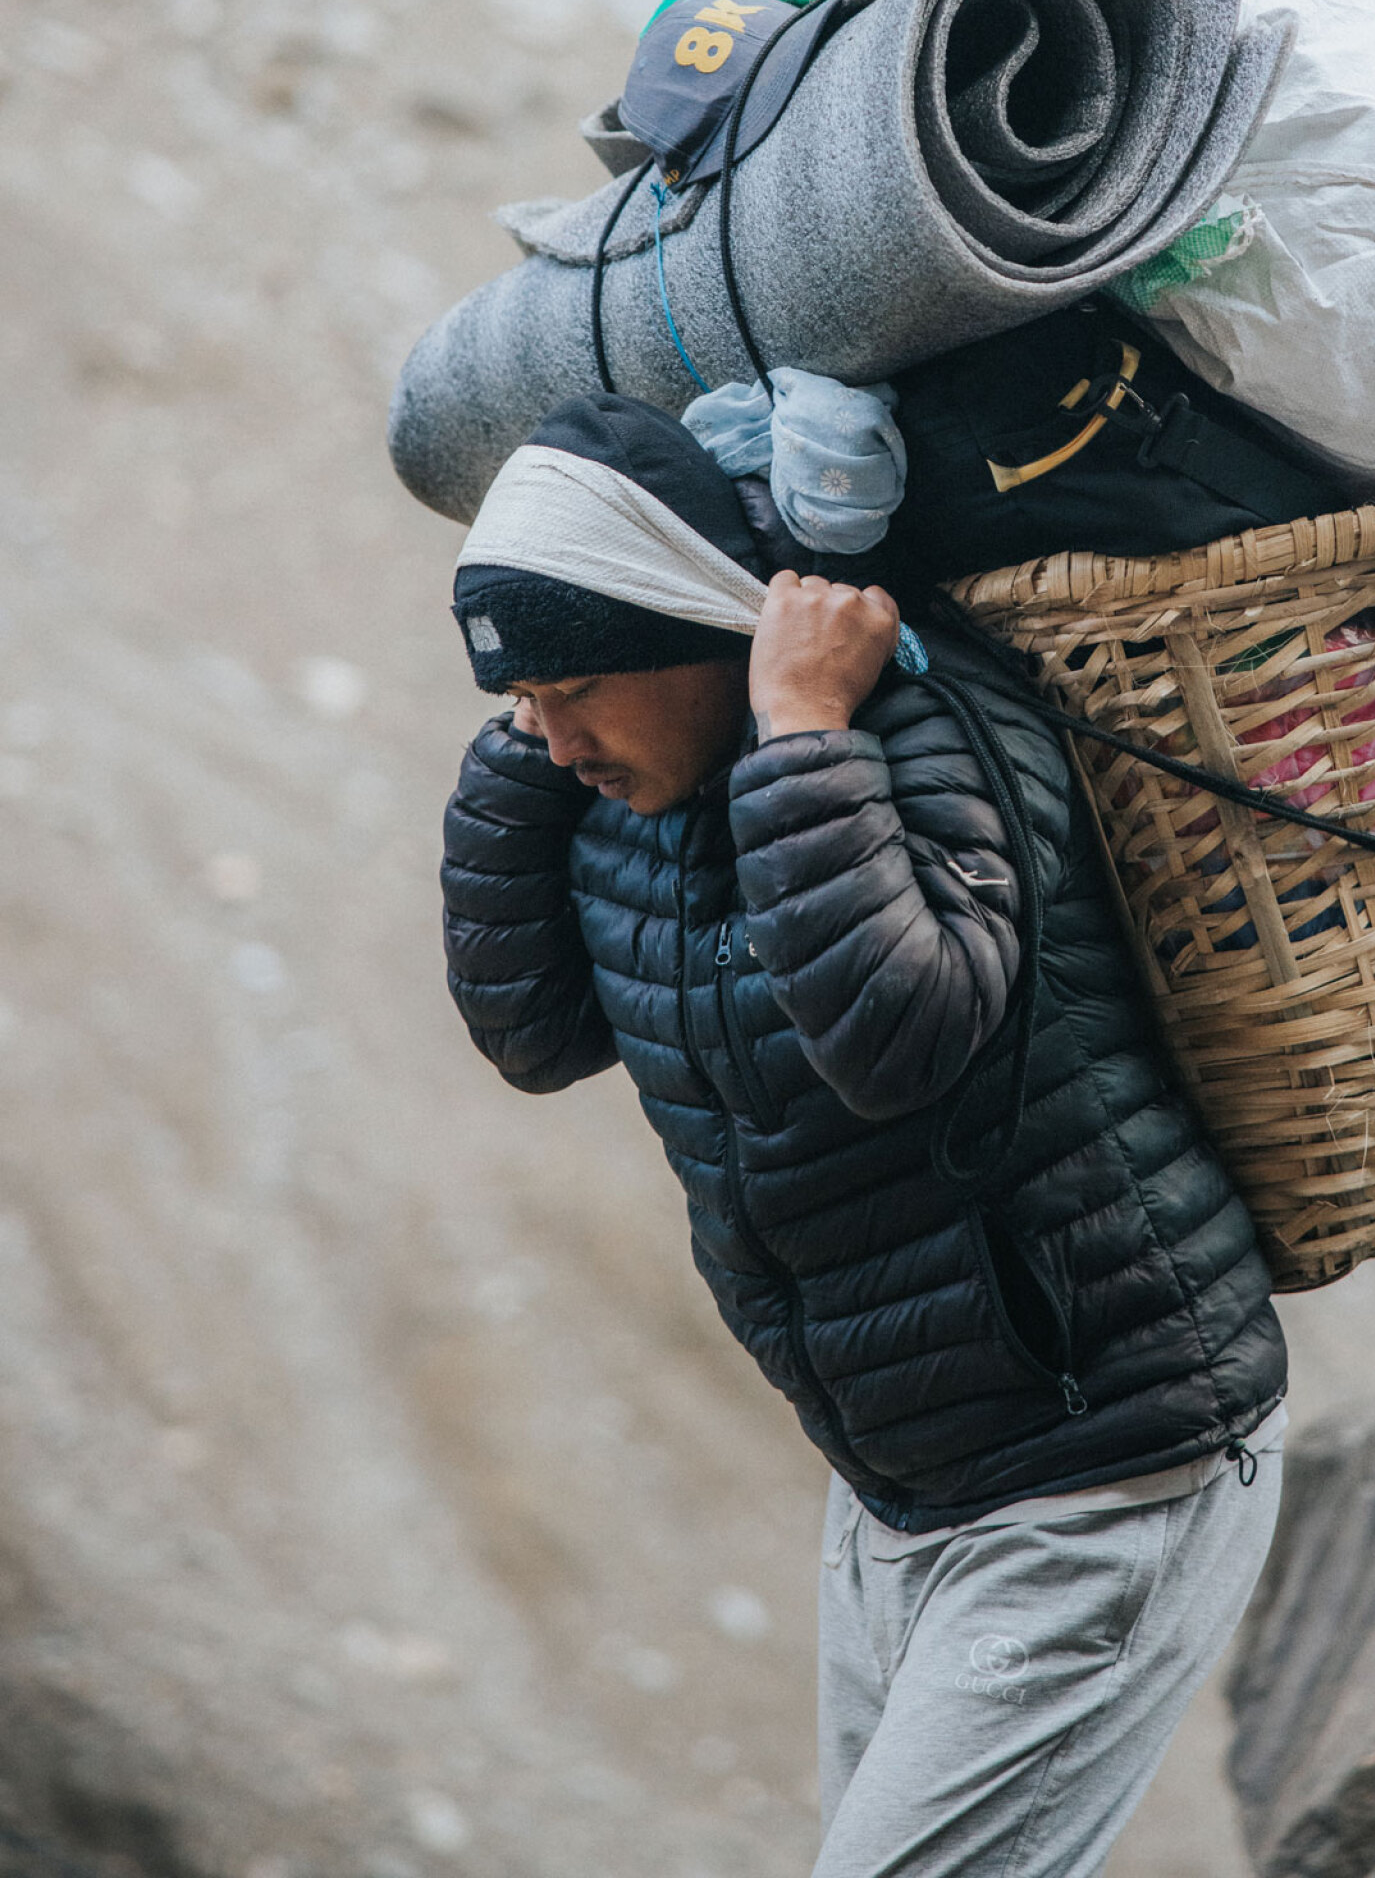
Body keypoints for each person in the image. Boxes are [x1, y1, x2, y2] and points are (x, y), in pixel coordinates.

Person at [438, 389, 1288, 1877]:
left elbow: (905, 1035)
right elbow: (533, 1035)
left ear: (702, 623)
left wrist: (803, 728)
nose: (553, 733)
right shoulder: (628, 793)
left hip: (1101, 1466)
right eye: (522, 696)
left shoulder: (922, 728)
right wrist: (526, 746)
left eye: (574, 687)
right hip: (896, 1490)